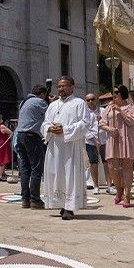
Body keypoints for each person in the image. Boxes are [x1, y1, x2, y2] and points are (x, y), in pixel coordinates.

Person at [41, 76, 90, 221]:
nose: (61, 89)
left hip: (71, 146)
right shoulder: (52, 105)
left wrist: (65, 129)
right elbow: (44, 123)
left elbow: (85, 123)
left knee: (70, 174)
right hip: (54, 145)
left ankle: (70, 207)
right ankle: (61, 203)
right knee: (55, 173)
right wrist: (50, 128)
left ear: (72, 87)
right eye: (59, 86)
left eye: (64, 86)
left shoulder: (79, 103)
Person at [100, 85, 134, 208]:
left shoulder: (131, 107)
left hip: (126, 138)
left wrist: (120, 111)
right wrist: (109, 128)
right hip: (113, 138)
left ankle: (127, 194)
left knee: (127, 167)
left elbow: (131, 121)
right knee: (112, 167)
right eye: (113, 92)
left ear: (122, 93)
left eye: (116, 92)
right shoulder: (109, 108)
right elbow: (101, 123)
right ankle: (119, 189)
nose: (114, 94)